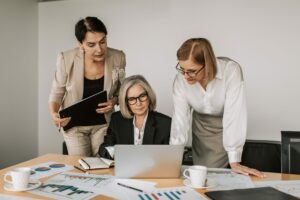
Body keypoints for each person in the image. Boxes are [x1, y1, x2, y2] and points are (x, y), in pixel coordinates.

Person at [170, 38, 265, 177]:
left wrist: (235, 161)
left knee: (218, 176)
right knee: (202, 175)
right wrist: (173, 159)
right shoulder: (181, 79)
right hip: (201, 127)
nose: (185, 76)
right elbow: (180, 120)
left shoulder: (231, 71)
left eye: (191, 71)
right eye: (182, 69)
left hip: (225, 125)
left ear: (207, 64)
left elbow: (234, 115)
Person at [48, 16, 126, 156]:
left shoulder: (118, 57)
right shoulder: (66, 58)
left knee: (104, 165)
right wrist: (54, 114)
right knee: (80, 168)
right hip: (74, 125)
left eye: (103, 42)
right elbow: (57, 93)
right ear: (80, 43)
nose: (99, 49)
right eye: (91, 44)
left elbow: (122, 90)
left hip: (103, 124)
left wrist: (113, 101)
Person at [99, 75, 171, 159]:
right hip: (125, 170)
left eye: (142, 96)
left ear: (149, 96)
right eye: (132, 99)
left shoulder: (166, 123)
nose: (138, 103)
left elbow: (170, 158)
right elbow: (104, 148)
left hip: (153, 170)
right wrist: (117, 152)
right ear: (126, 102)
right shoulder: (117, 119)